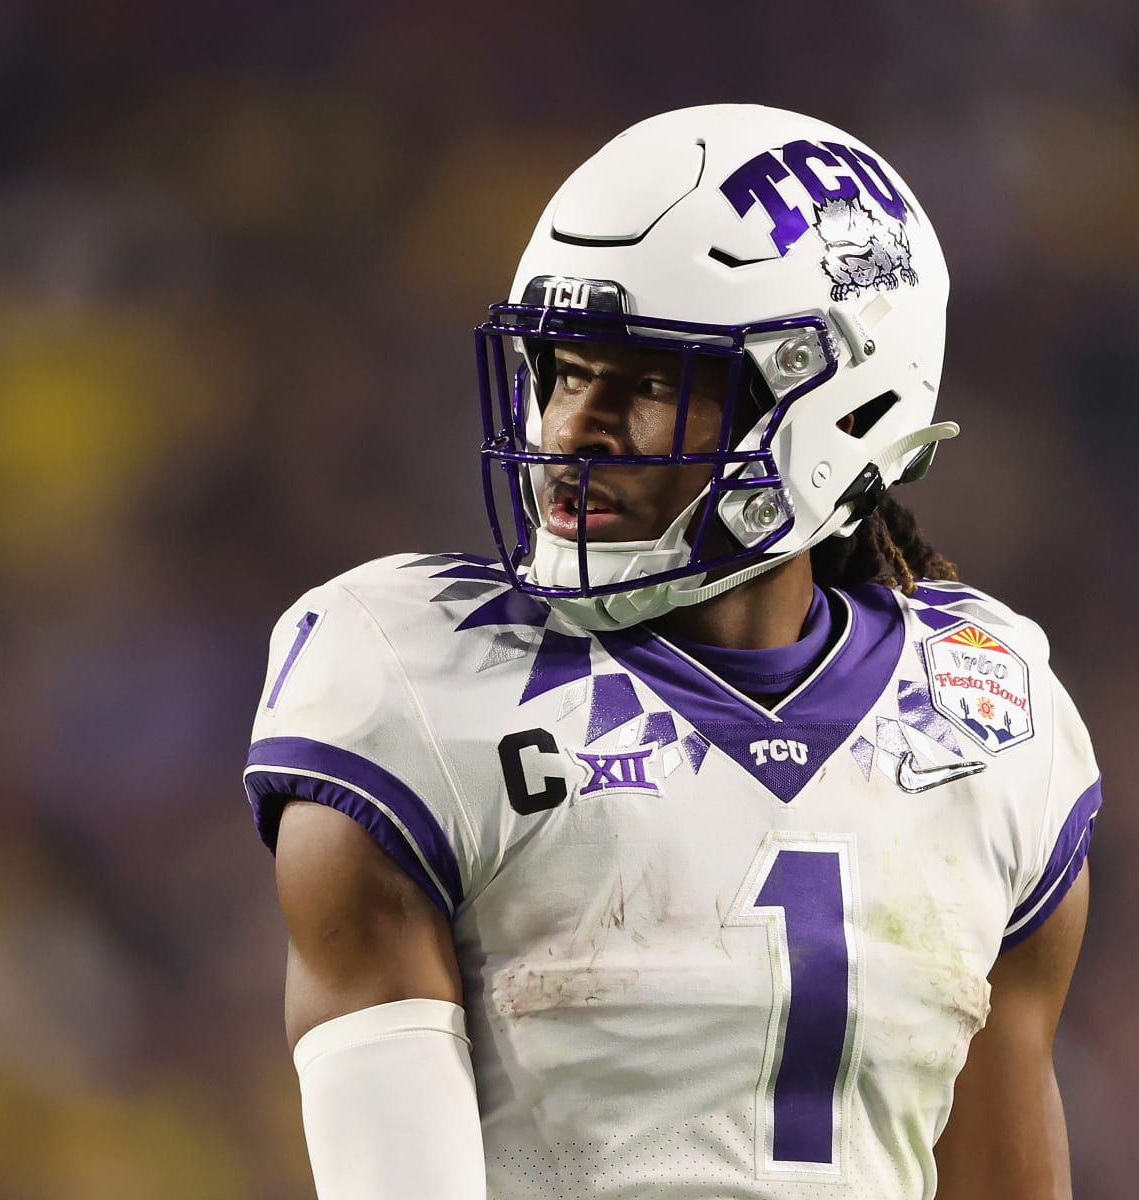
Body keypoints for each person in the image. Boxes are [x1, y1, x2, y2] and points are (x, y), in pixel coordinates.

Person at [243, 104, 1098, 1200]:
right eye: (564, 370)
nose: (573, 429)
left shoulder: (987, 719)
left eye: (649, 382)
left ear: (840, 407)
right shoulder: (413, 679)